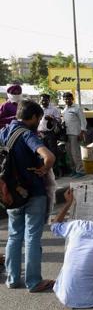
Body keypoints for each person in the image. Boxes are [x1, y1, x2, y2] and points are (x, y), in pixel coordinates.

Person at [1, 100, 56, 292]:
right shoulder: (26, 135)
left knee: (14, 236)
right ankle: (33, 282)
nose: (38, 122)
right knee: (32, 237)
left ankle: (13, 279)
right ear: (32, 117)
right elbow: (49, 156)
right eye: (38, 118)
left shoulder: (3, 132)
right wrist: (44, 169)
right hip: (33, 191)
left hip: (11, 193)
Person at [61, 92, 87, 178]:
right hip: (67, 135)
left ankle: (80, 171)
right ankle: (74, 170)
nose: (67, 100)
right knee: (69, 154)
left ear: (72, 99)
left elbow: (83, 121)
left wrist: (82, 132)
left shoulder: (77, 108)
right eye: (65, 99)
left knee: (75, 153)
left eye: (68, 98)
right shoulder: (64, 109)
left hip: (75, 134)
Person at [37, 94, 62, 175]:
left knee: (52, 152)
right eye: (42, 100)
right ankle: (46, 171)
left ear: (49, 100)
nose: (44, 102)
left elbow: (59, 120)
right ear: (40, 100)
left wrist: (52, 118)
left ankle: (54, 172)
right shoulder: (37, 109)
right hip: (39, 134)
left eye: (46, 100)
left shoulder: (54, 109)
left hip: (50, 134)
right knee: (42, 153)